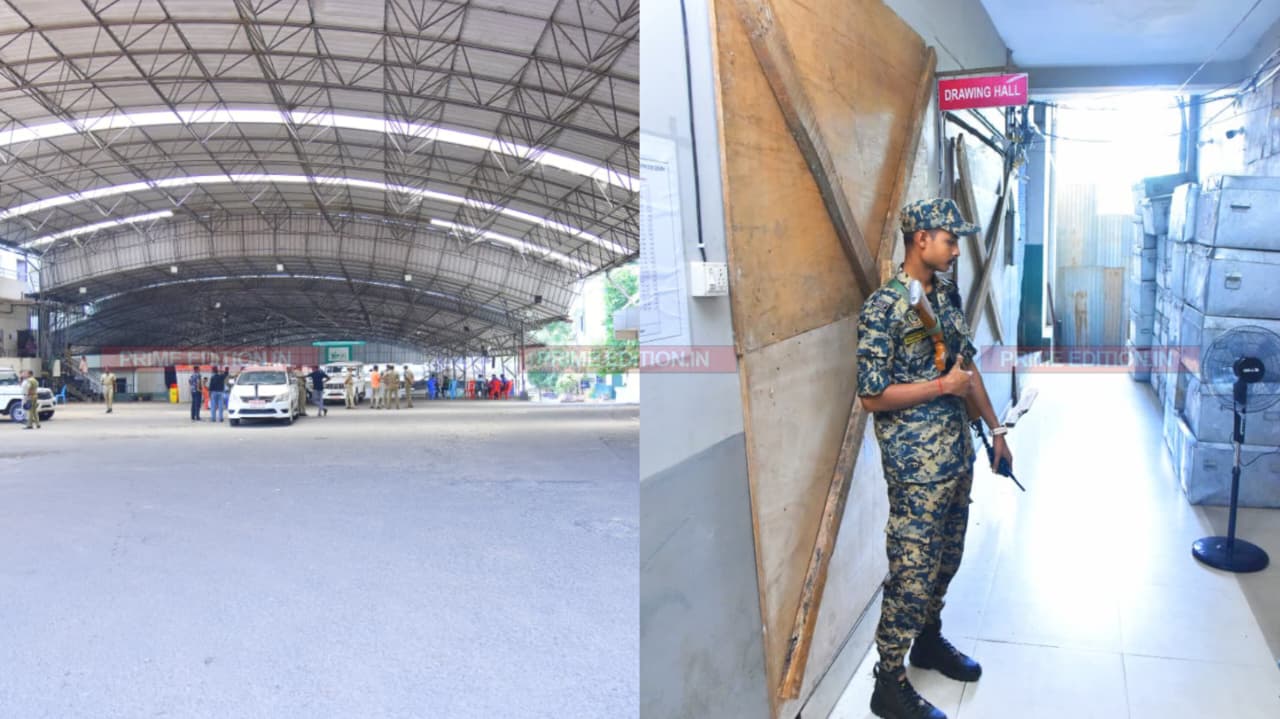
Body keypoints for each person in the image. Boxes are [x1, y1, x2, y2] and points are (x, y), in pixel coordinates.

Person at [857, 198, 1012, 719]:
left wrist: (997, 429)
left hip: (956, 458)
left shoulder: (943, 296)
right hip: (915, 471)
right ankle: (888, 681)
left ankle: (927, 641)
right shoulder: (883, 308)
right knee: (912, 572)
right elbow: (872, 395)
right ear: (920, 238)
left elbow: (966, 368)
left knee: (946, 559)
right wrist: (941, 387)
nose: (956, 250)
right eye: (950, 240)